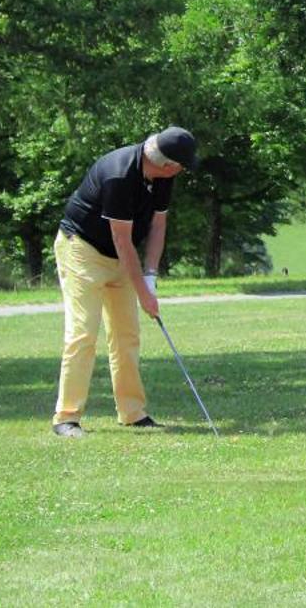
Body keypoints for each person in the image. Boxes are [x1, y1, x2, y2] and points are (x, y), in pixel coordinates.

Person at [49, 126, 196, 437]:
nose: (183, 171)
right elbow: (122, 239)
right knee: (83, 333)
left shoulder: (163, 178)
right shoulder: (119, 174)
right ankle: (66, 417)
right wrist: (144, 295)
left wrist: (151, 277)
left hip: (119, 257)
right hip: (82, 250)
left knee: (126, 335)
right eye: (181, 166)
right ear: (167, 163)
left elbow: (158, 225)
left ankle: (132, 412)